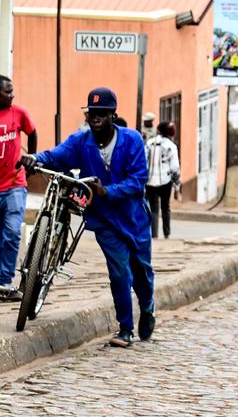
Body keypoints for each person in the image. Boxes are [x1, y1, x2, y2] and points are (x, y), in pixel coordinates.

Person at [26, 87, 155, 347]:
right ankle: (125, 328)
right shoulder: (80, 142)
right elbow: (56, 157)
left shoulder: (132, 140)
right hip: (105, 220)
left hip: (134, 218)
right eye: (91, 114)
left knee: (141, 272)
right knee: (119, 272)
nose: (95, 119)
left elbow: (138, 180)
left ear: (113, 116)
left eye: (102, 114)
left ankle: (148, 307)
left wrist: (107, 190)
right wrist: (34, 158)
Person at [0, 74, 37, 302]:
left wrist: (32, 158)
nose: (12, 95)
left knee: (13, 233)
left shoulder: (19, 113)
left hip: (16, 183)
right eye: (8, 91)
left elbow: (32, 132)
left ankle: (4, 282)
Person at [145, 120, 180, 237]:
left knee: (154, 209)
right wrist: (177, 184)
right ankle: (166, 234)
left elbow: (144, 161)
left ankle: (154, 234)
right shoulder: (171, 146)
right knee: (165, 207)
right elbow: (175, 167)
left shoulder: (149, 143)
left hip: (150, 181)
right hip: (165, 180)